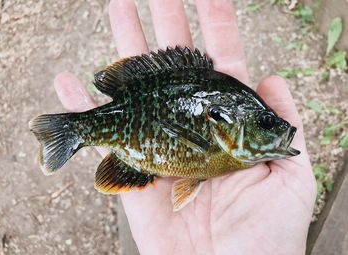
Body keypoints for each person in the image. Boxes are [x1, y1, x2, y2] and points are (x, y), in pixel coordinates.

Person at [54, 0, 317, 254]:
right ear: (226, 123)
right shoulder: (222, 147)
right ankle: (72, 131)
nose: (278, 130)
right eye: (265, 122)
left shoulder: (225, 146)